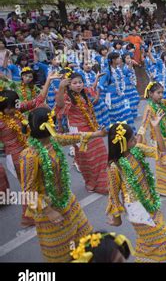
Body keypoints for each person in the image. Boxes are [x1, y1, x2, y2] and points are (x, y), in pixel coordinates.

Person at [20, 107, 105, 262]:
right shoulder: (30, 156)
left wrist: (98, 134)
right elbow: (28, 191)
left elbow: (73, 137)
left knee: (86, 240)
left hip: (67, 201)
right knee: (64, 254)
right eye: (52, 121)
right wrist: (49, 211)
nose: (56, 124)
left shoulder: (53, 140)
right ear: (45, 125)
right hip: (49, 210)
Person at [107, 122, 166, 262]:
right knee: (165, 237)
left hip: (150, 201)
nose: (136, 140)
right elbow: (113, 193)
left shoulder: (138, 150)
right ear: (123, 144)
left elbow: (161, 151)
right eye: (132, 140)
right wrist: (117, 217)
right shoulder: (114, 167)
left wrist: (157, 128)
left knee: (150, 242)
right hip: (136, 210)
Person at [0, 72, 59, 227]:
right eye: (9, 108)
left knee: (38, 181)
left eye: (15, 106)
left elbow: (38, 100)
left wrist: (48, 80)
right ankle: (29, 218)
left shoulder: (17, 111)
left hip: (29, 151)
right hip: (15, 158)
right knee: (29, 185)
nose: (13, 110)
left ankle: (38, 212)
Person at [55, 72, 109, 194]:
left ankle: (104, 182)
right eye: (74, 83)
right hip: (78, 131)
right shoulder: (66, 96)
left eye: (80, 82)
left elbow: (93, 90)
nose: (78, 85)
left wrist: (96, 78)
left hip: (91, 127)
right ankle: (91, 183)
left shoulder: (84, 92)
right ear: (69, 85)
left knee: (101, 153)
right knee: (88, 158)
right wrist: (61, 87)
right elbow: (59, 105)